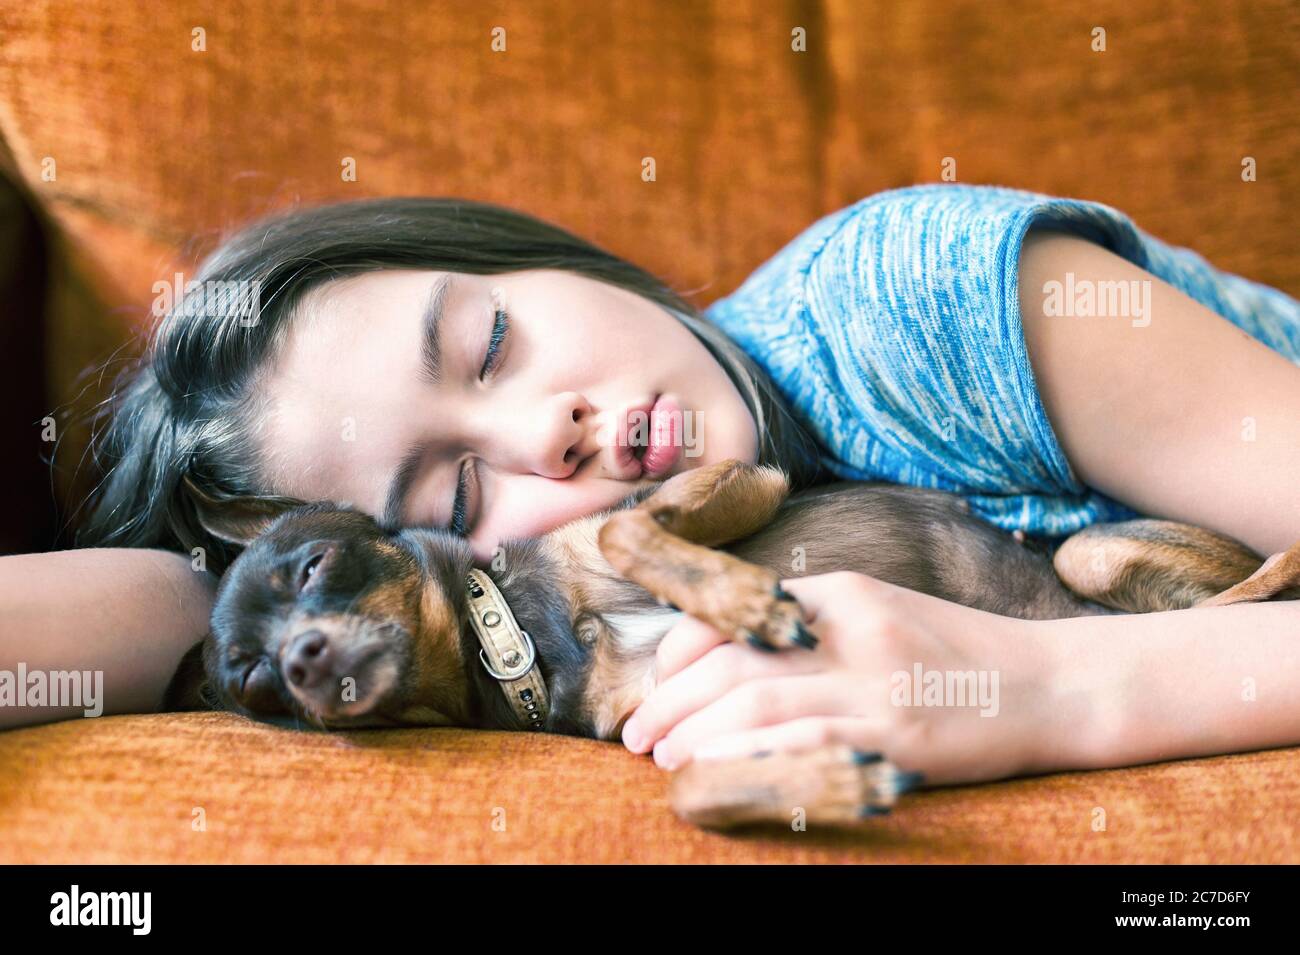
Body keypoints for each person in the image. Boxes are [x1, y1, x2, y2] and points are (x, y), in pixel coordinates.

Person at [3, 185, 1297, 789]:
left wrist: (1047, 690)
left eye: (491, 345)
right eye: (456, 504)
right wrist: (206, 593)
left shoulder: (917, 306)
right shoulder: (558, 628)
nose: (544, 433)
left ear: (531, 252)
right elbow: (190, 611)